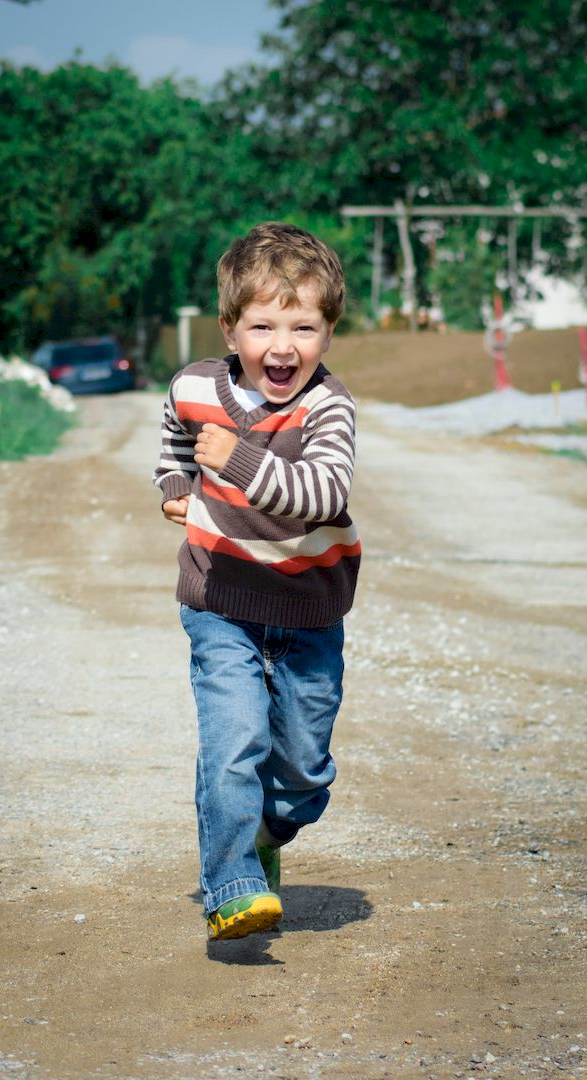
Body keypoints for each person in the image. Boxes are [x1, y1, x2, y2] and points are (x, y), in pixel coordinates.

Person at [153, 222, 361, 941]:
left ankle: (268, 832)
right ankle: (232, 883)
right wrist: (177, 483)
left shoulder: (328, 408)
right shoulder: (195, 386)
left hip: (308, 611)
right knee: (233, 739)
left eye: (303, 326)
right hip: (221, 601)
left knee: (304, 774)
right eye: (263, 324)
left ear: (328, 333)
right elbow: (175, 437)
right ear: (229, 328)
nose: (283, 345)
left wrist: (236, 461)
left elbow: (323, 492)